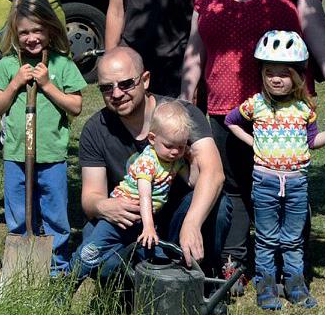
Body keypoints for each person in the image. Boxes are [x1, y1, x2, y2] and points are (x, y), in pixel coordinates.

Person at [180, 0, 325, 290]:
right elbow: (195, 45)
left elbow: (316, 32)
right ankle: (235, 262)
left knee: (286, 184)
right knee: (234, 185)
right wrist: (187, 95)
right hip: (224, 105)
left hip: (283, 107)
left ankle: (292, 264)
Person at [75, 46, 224, 283]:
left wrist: (192, 223)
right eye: (106, 88)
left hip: (177, 216)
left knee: (219, 204)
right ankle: (145, 272)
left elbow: (214, 174)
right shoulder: (96, 128)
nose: (116, 94)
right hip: (130, 221)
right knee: (102, 267)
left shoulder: (180, 116)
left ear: (145, 80)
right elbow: (90, 197)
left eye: (126, 84)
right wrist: (104, 206)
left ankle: (201, 278)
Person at [225, 30, 325, 311]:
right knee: (267, 239)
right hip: (265, 182)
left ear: (297, 75)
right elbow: (231, 121)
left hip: (296, 184)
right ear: (262, 74)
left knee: (293, 239)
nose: (276, 79)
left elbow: (312, 142)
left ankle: (295, 286)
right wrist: (254, 142)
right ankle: (266, 286)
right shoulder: (255, 104)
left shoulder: (304, 108)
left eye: (284, 73)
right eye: (270, 72)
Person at [0, 0, 85, 278]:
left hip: (51, 154)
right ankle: (21, 264)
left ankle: (57, 265)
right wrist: (15, 83)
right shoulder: (8, 66)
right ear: (15, 33)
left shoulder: (61, 65)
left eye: (37, 30)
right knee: (18, 210)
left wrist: (48, 85)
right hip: (16, 154)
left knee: (54, 211)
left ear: (50, 29)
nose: (31, 38)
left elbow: (76, 106)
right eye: (24, 32)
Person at [72, 100, 196, 284]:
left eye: (181, 146)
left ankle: (157, 293)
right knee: (91, 253)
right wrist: (149, 227)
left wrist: (192, 159)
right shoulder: (147, 162)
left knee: (157, 259)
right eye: (170, 146)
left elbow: (193, 182)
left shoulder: (175, 160)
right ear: (152, 139)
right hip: (119, 219)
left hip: (141, 222)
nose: (175, 152)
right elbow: (145, 196)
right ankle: (67, 282)